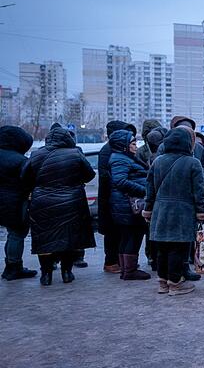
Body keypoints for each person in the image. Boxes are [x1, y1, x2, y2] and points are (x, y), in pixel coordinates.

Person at [22, 126, 96, 286]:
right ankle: (67, 273)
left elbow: (24, 177)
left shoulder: (36, 154)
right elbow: (90, 175)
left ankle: (46, 275)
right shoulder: (75, 154)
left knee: (44, 239)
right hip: (71, 202)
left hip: (42, 202)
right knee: (68, 238)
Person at [142, 126, 204, 295]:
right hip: (182, 212)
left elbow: (149, 189)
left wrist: (148, 210)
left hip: (160, 211)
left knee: (162, 248)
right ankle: (175, 283)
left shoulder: (157, 161)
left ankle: (163, 283)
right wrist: (201, 212)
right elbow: (199, 191)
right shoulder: (193, 162)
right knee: (178, 249)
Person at [165, 116, 204, 282]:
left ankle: (185, 266)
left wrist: (201, 179)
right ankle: (172, 276)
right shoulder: (166, 148)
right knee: (172, 241)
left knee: (188, 236)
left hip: (191, 198)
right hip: (172, 199)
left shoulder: (197, 149)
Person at [108, 129, 151, 280]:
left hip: (125, 205)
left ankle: (126, 269)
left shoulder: (124, 157)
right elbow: (120, 181)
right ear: (123, 145)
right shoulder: (120, 159)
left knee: (127, 236)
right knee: (133, 236)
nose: (136, 146)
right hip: (128, 206)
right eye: (133, 143)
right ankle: (130, 270)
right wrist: (144, 191)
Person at [98, 120, 137, 274]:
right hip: (111, 198)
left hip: (116, 197)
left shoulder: (119, 150)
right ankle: (111, 262)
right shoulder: (109, 151)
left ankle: (120, 262)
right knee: (112, 232)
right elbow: (111, 176)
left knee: (120, 231)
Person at [0, 126, 38, 281]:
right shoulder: (20, 160)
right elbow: (29, 182)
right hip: (14, 202)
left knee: (12, 234)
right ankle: (13, 267)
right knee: (16, 234)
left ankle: (11, 266)